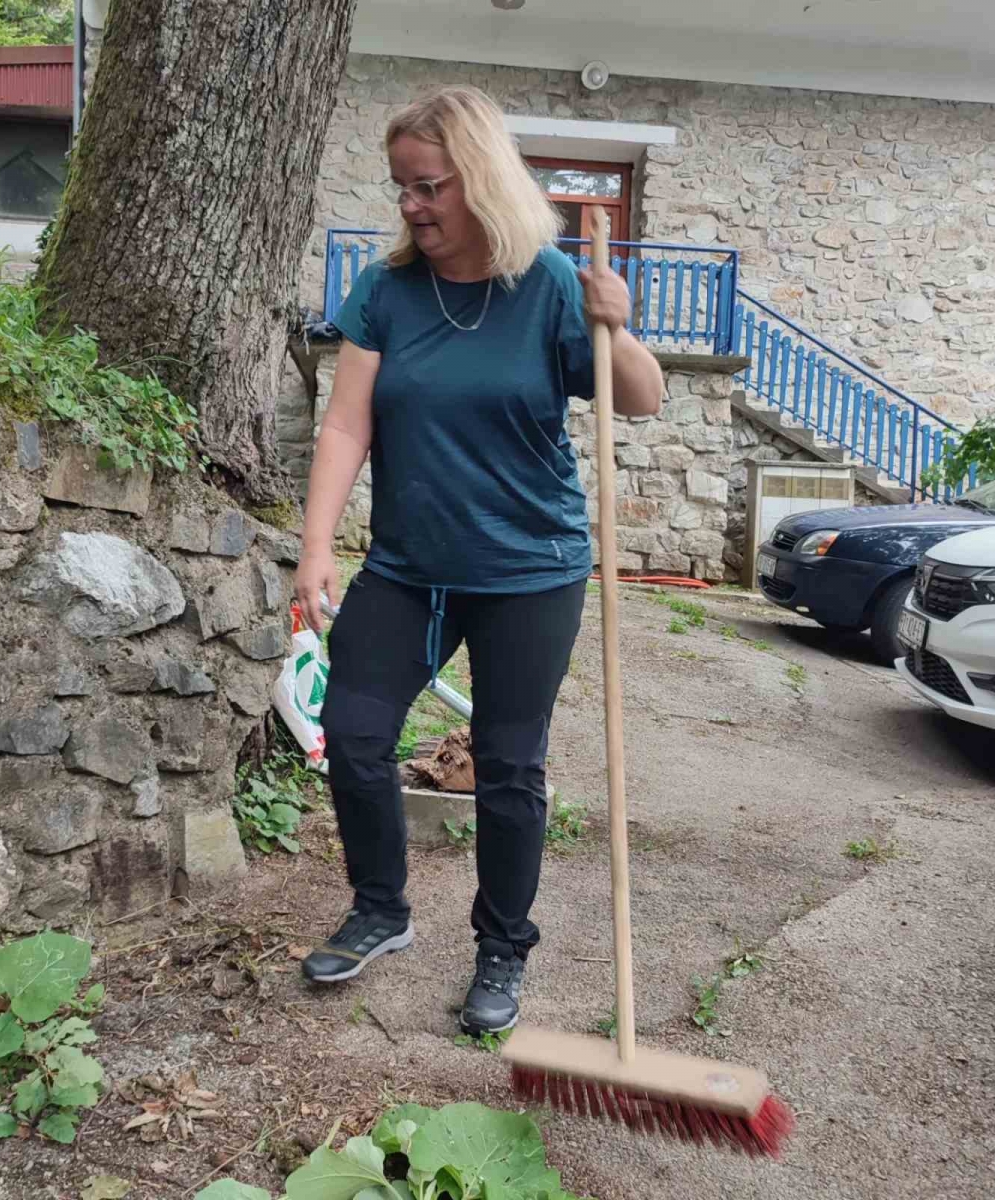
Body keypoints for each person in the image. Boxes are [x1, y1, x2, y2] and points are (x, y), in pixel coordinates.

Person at [294, 85, 663, 1035]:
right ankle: (380, 909)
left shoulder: (545, 285)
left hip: (530, 571)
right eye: (402, 189)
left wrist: (617, 325)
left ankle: (501, 950)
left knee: (508, 764)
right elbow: (346, 424)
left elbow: (643, 402)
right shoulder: (385, 290)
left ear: (480, 180)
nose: (412, 206)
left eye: (430, 187)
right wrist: (314, 549)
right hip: (409, 565)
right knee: (357, 732)